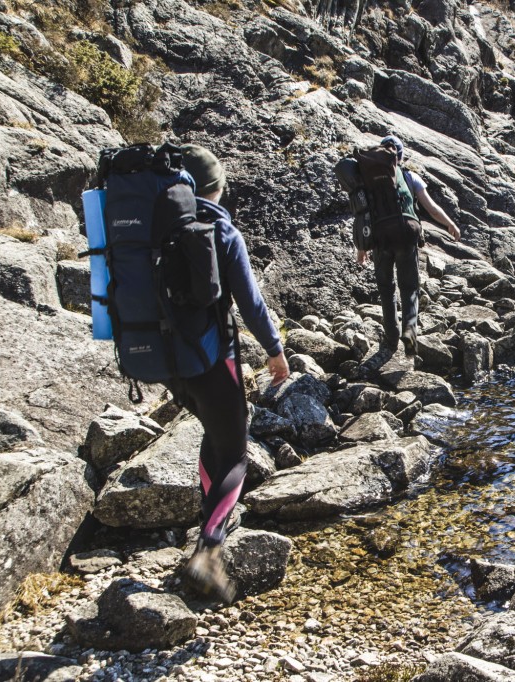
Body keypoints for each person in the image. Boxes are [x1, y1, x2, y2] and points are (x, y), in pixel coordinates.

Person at [176, 144, 290, 602]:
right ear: (217, 188)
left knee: (213, 431)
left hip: (168, 361)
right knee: (238, 453)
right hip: (211, 357)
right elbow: (252, 303)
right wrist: (275, 351)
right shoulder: (220, 230)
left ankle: (208, 519)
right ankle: (209, 548)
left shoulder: (156, 228)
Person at [356, 134, 461, 353]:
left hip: (379, 236)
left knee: (386, 288)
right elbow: (431, 208)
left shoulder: (367, 178)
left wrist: (361, 248)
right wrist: (450, 223)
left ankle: (391, 338)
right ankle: (410, 332)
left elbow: (361, 213)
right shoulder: (409, 176)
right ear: (399, 156)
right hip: (406, 232)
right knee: (410, 286)